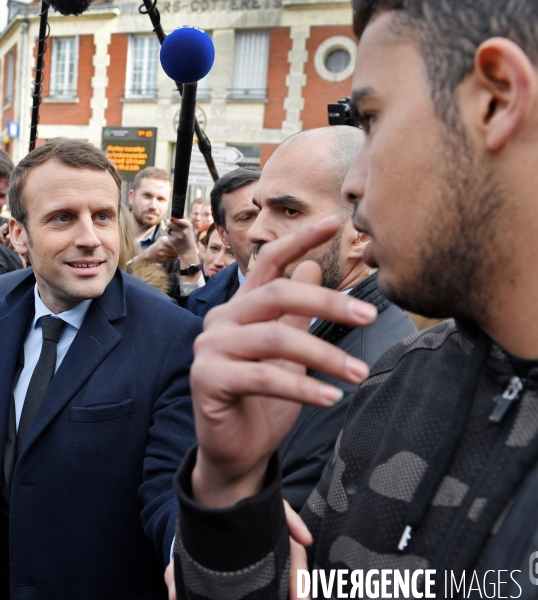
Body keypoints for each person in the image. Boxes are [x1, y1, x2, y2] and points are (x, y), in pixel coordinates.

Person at [170, 1, 538, 598]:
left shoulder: (381, 362)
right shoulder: (402, 384)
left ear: (496, 99)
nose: (355, 183)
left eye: (372, 119)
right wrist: (230, 494)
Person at [0, 138, 202, 599]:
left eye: (103, 216)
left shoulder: (174, 338)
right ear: (17, 234)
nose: (90, 237)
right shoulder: (3, 303)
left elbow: (172, 486)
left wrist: (195, 555)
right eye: (62, 217)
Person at [248, 126, 416, 510]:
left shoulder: (369, 377)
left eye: (288, 211)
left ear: (361, 233)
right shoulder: (288, 322)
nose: (256, 232)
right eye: (258, 209)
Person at [186, 168, 261, 317]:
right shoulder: (200, 304)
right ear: (222, 234)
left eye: (273, 211)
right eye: (246, 218)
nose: (262, 228)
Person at [126, 169, 205, 300]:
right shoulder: (109, 233)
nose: (153, 205)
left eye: (161, 199)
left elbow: (189, 300)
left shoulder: (174, 244)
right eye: (147, 196)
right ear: (132, 196)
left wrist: (188, 255)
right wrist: (145, 258)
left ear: (169, 203)